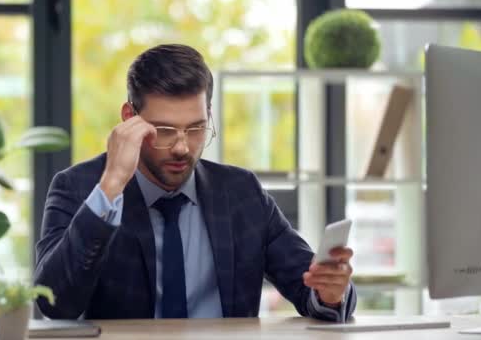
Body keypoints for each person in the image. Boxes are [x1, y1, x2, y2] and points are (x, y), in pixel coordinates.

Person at [34, 44, 356, 321]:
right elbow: (54, 304)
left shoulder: (242, 192)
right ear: (129, 119)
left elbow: (308, 285)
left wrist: (330, 293)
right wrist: (111, 186)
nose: (181, 147)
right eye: (164, 130)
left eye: (196, 128)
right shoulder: (78, 187)